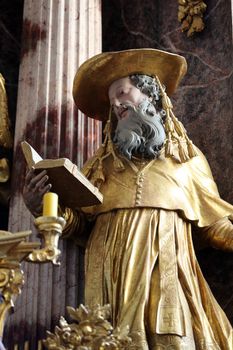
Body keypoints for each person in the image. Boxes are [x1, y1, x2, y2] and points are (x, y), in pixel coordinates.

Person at [23, 49, 233, 350]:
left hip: (168, 280)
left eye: (123, 93)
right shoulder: (98, 166)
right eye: (112, 102)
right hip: (111, 281)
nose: (117, 104)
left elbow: (214, 226)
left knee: (174, 341)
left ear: (151, 96)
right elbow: (79, 224)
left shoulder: (187, 160)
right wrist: (41, 204)